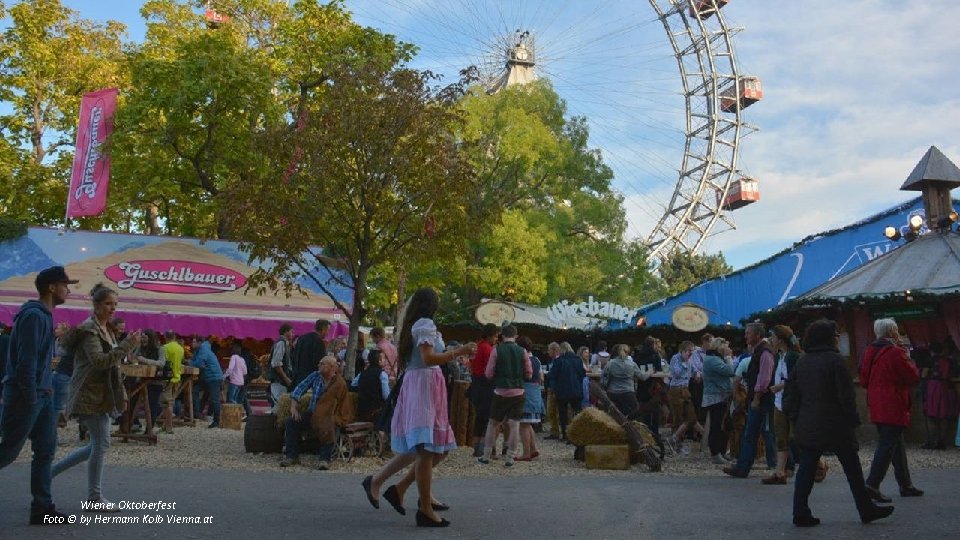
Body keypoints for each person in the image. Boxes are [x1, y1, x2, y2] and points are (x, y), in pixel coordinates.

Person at [362, 287, 475, 528]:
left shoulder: (416, 324)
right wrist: (459, 352)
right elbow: (428, 358)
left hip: (424, 384)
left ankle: (397, 487)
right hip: (425, 385)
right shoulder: (424, 324)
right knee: (426, 449)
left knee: (435, 448)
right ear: (431, 304)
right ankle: (422, 506)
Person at [784, 319, 894, 527]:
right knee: (852, 468)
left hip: (808, 422)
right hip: (836, 423)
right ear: (829, 338)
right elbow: (846, 395)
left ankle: (800, 510)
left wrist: (795, 417)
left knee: (806, 469)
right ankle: (865, 508)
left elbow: (792, 393)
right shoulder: (835, 361)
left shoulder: (803, 361)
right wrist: (852, 419)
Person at [52, 282, 141, 512]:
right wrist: (127, 346)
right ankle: (93, 497)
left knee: (98, 444)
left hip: (101, 394)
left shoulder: (104, 328)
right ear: (97, 305)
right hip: (88, 394)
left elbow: (109, 364)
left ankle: (48, 474)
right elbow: (100, 361)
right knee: (101, 444)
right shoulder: (90, 329)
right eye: (108, 304)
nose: (113, 308)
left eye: (115, 304)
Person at [0, 265, 75, 524]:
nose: (68, 289)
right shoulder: (35, 316)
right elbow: (26, 363)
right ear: (51, 287)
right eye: (65, 284)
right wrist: (32, 398)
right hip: (27, 396)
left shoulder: (43, 315)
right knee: (7, 451)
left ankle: (42, 508)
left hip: (42, 395)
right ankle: (41, 506)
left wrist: (47, 390)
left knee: (45, 451)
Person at [860, 318, 924, 502]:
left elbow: (864, 380)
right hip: (893, 402)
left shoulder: (869, 351)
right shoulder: (896, 352)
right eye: (896, 330)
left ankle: (905, 484)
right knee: (888, 445)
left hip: (876, 402)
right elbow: (912, 376)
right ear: (892, 332)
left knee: (896, 444)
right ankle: (872, 484)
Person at [724, 322, 775, 477]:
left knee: (755, 433)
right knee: (755, 433)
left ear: (757, 335)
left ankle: (743, 467)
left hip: (761, 399)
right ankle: (743, 466)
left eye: (748, 333)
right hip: (758, 398)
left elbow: (764, 378)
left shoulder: (765, 352)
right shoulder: (759, 351)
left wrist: (757, 397)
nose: (745, 336)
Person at [280, 356, 349, 470]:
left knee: (329, 424)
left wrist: (334, 415)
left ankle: (324, 459)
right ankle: (291, 456)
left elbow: (343, 404)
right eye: (319, 363)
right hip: (313, 413)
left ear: (332, 367)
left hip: (329, 415)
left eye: (322, 364)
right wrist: (293, 406)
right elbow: (299, 389)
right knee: (290, 422)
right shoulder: (315, 375)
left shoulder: (339, 382)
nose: (319, 366)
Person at [478, 325, 532, 467]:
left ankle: (486, 455)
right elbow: (529, 373)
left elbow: (488, 373)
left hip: (500, 392)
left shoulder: (497, 350)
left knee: (493, 423)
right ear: (516, 336)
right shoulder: (523, 352)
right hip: (518, 392)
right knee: (514, 425)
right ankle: (510, 457)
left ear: (502, 336)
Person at [762, 325, 802, 485]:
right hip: (779, 401)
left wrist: (780, 386)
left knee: (796, 437)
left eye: (772, 337)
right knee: (781, 437)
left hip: (790, 401)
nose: (771, 340)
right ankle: (779, 472)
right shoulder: (779, 356)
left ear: (780, 339)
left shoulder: (793, 357)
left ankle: (818, 464)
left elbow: (795, 377)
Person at [701, 337, 735, 464]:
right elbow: (730, 371)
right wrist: (728, 357)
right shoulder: (712, 360)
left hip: (721, 395)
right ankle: (715, 453)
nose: (727, 348)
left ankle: (721, 451)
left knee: (724, 425)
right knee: (716, 426)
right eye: (725, 346)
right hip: (715, 396)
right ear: (719, 347)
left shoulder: (714, 358)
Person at [468, 323, 499, 457]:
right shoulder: (488, 349)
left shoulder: (477, 345)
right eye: (496, 336)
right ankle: (485, 447)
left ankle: (477, 447)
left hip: (476, 383)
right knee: (488, 418)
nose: (497, 339)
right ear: (491, 335)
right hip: (486, 384)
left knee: (479, 417)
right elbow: (490, 369)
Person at [545, 342, 586, 442]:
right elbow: (582, 374)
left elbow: (553, 375)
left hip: (562, 390)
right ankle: (578, 433)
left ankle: (565, 434)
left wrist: (552, 388)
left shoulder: (559, 361)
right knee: (577, 412)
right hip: (576, 389)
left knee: (563, 414)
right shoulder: (578, 360)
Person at [668, 341, 703, 455]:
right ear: (682, 350)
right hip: (676, 389)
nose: (691, 353)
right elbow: (677, 373)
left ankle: (673, 439)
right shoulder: (675, 358)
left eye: (692, 351)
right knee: (678, 418)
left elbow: (694, 370)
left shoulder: (690, 359)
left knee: (691, 417)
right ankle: (677, 447)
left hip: (685, 390)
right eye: (689, 351)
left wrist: (697, 373)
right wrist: (685, 362)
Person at [922, 340, 959, 449]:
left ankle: (931, 441)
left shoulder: (929, 360)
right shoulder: (949, 361)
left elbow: (924, 375)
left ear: (931, 350)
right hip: (945, 387)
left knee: (931, 415)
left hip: (932, 387)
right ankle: (941, 442)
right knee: (943, 415)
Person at [633, 337, 666, 458]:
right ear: (652, 345)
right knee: (654, 410)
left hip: (642, 386)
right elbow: (659, 370)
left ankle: (644, 432)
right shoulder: (655, 356)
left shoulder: (638, 356)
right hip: (653, 387)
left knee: (643, 410)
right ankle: (654, 432)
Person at [516, 336, 543, 461]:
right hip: (536, 393)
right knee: (528, 423)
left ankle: (526, 453)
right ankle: (533, 448)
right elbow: (541, 377)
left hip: (525, 393)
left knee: (523, 424)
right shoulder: (537, 359)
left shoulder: (522, 359)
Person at [191, 335, 224, 428]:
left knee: (215, 400)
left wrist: (190, 363)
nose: (192, 344)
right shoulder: (198, 350)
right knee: (195, 390)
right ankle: (196, 414)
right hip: (207, 377)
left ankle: (216, 421)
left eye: (194, 342)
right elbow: (195, 361)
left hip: (214, 377)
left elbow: (199, 364)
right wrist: (191, 361)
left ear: (199, 343)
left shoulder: (203, 350)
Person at [601, 344, 642, 419]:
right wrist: (650, 372)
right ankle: (627, 423)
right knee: (636, 409)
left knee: (613, 413)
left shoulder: (610, 363)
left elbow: (604, 377)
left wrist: (605, 387)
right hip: (628, 392)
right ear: (628, 352)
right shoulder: (632, 364)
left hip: (612, 392)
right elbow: (642, 376)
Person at [291, 319, 328, 387]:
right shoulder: (319, 342)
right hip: (310, 380)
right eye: (327, 330)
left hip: (297, 378)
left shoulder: (301, 338)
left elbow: (294, 357)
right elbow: (320, 362)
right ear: (323, 329)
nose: (327, 333)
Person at [356, 349, 390, 423]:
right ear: (379, 361)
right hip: (377, 412)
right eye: (383, 358)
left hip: (362, 411)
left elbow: (353, 384)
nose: (385, 360)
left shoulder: (362, 374)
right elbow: (386, 396)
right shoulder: (382, 374)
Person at [159, 330, 184, 428]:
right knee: (171, 402)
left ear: (165, 337)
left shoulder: (165, 348)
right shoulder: (180, 348)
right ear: (174, 337)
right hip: (177, 378)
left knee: (166, 403)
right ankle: (166, 425)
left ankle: (169, 426)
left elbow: (162, 363)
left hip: (167, 379)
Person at [268, 324, 295, 407]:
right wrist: (286, 378)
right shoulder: (281, 342)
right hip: (278, 382)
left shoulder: (285, 343)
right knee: (279, 406)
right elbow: (276, 364)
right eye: (291, 332)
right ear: (286, 331)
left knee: (281, 406)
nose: (293, 334)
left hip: (280, 382)